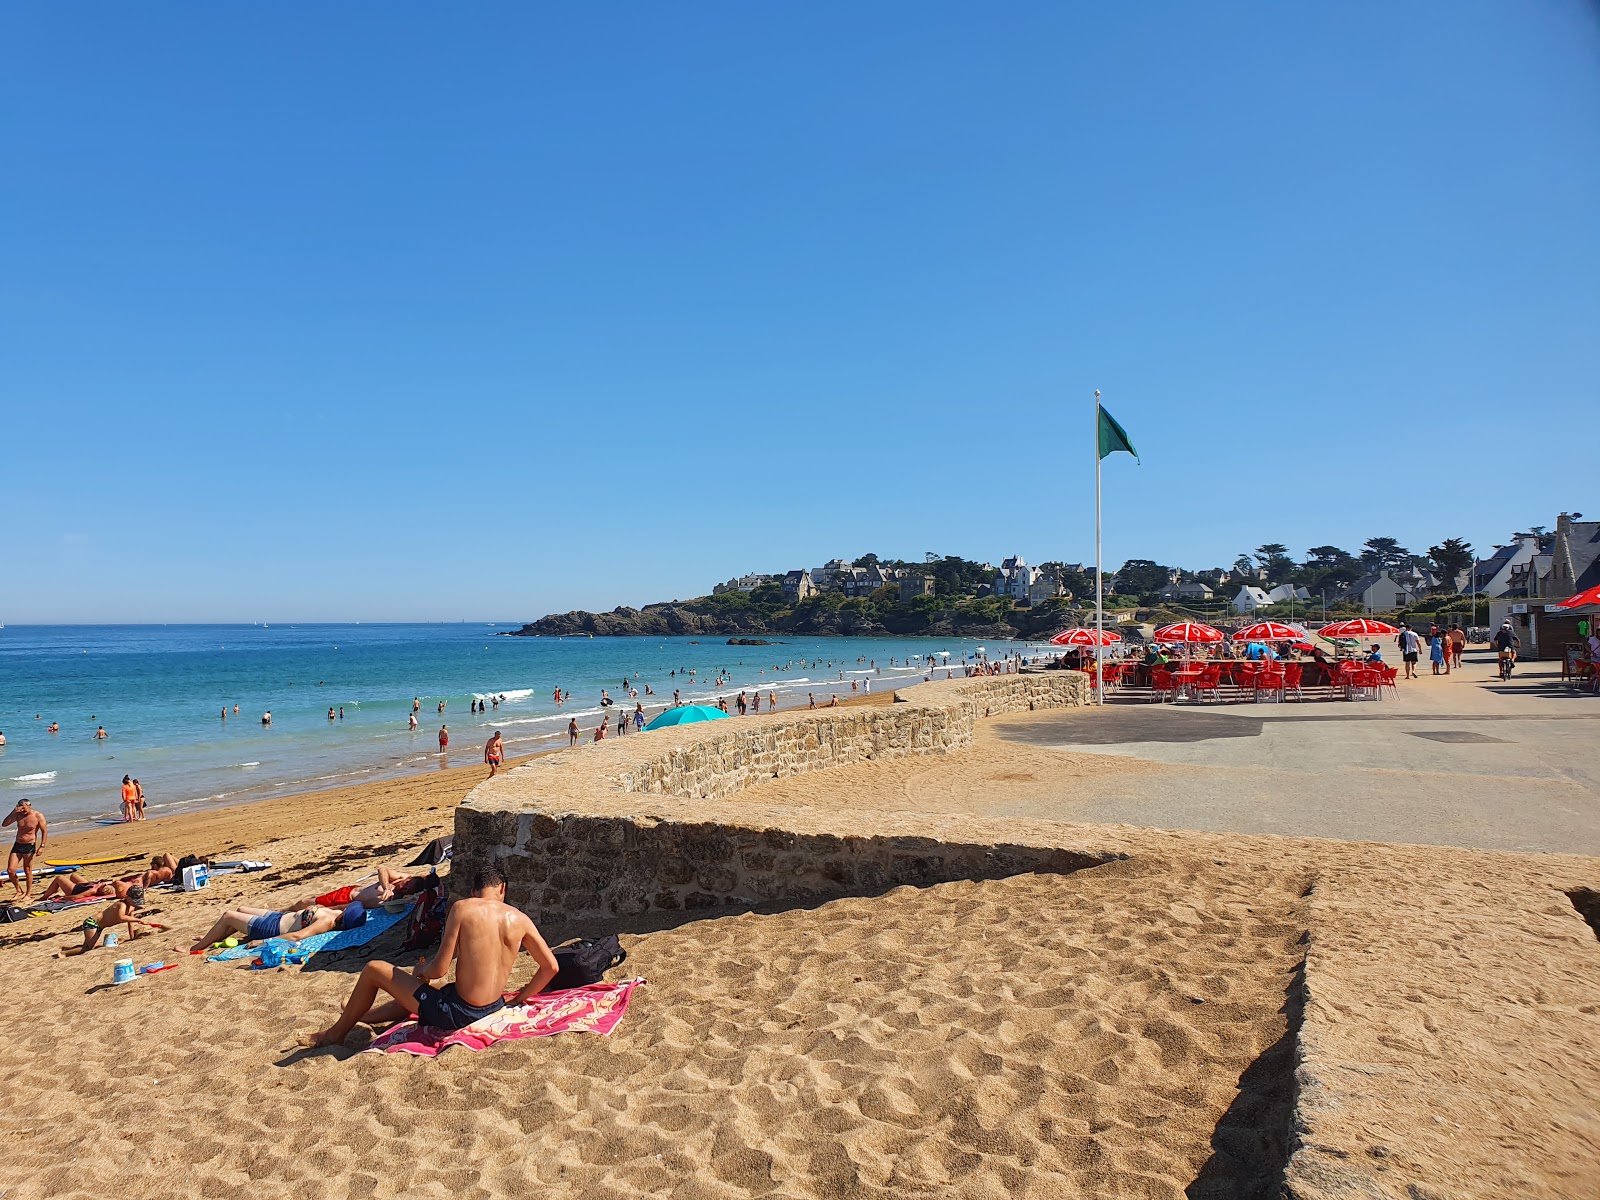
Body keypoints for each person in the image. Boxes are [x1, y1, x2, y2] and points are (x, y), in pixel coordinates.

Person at [297, 865, 560, 1047]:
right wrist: (521, 996)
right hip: (493, 1006)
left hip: (459, 1013)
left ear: (473, 891)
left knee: (374, 969)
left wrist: (421, 972)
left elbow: (440, 969)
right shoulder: (521, 919)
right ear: (502, 888)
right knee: (428, 990)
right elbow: (550, 967)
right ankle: (364, 1016)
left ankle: (336, 1034)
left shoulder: (463, 908)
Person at [188, 902, 365, 954]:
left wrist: (264, 941)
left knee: (228, 915)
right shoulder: (335, 912)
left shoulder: (327, 922)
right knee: (241, 909)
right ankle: (213, 936)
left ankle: (197, 947)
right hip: (277, 917)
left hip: (271, 928)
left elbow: (297, 936)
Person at [57, 887, 159, 957]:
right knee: (88, 949)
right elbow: (121, 917)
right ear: (127, 897)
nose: (135, 904)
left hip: (99, 926)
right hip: (92, 923)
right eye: (134, 901)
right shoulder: (121, 905)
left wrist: (132, 937)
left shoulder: (131, 907)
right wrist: (139, 919)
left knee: (89, 945)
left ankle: (67, 949)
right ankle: (64, 954)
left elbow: (130, 923)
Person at [282, 867, 428, 912]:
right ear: (407, 879)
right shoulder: (399, 878)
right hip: (349, 893)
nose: (404, 888)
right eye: (406, 884)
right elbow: (382, 869)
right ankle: (282, 911)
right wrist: (386, 888)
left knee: (312, 908)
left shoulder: (397, 898)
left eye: (408, 890)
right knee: (305, 902)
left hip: (351, 903)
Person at [4, 799, 48, 900]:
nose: (22, 810)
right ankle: (19, 891)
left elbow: (44, 831)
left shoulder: (38, 815)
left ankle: (28, 894)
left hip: (29, 845)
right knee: (10, 870)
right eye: (20, 807)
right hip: (18, 844)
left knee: (27, 870)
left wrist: (42, 846)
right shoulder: (18, 814)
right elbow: (4, 824)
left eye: (24, 807)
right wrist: (13, 812)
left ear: (29, 805)